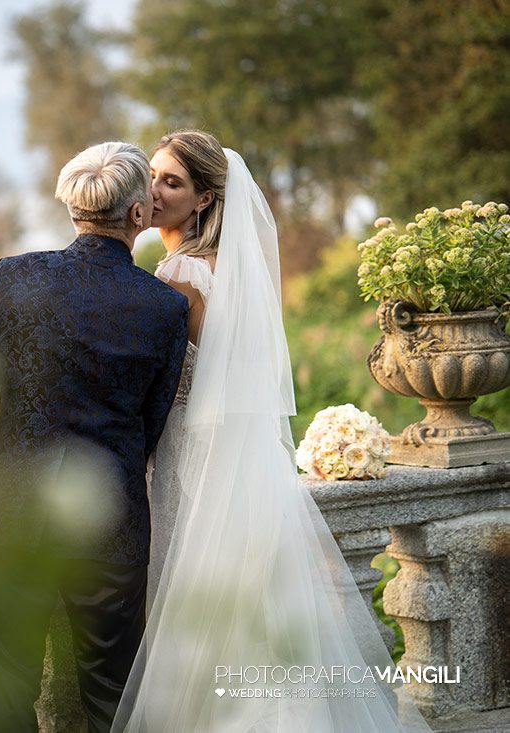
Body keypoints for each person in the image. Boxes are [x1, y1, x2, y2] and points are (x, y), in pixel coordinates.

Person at [112, 130, 431, 732]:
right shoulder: (224, 270)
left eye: (171, 182)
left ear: (205, 200)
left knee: (201, 607)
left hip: (192, 458)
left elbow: (177, 384)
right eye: (152, 175)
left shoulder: (179, 275)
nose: (153, 190)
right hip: (235, 459)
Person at [0, 141, 189, 731]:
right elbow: (153, 422)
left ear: (72, 208)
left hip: (11, 510)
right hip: (111, 516)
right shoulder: (163, 306)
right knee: (115, 694)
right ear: (138, 214)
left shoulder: (13, 277)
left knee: (6, 686)